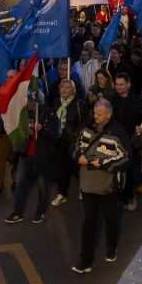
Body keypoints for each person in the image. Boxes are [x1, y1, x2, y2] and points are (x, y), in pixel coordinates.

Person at [71, 98, 129, 274]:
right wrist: (77, 156)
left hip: (107, 187)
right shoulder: (86, 128)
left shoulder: (118, 132)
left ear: (109, 115)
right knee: (88, 223)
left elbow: (125, 158)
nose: (96, 117)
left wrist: (103, 163)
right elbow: (75, 146)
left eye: (100, 114)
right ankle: (85, 260)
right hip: (87, 186)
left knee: (110, 220)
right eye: (95, 113)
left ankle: (111, 247)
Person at [5, 98, 55, 225]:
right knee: (20, 185)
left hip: (42, 158)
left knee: (42, 187)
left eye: (31, 100)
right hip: (26, 155)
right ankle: (17, 212)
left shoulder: (48, 112)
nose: (29, 103)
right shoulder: (22, 114)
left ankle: (41, 212)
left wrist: (42, 128)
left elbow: (55, 133)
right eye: (26, 101)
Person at [49, 78, 87, 207]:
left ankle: (84, 188)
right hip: (58, 142)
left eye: (67, 87)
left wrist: (78, 137)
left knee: (77, 168)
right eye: (62, 87)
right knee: (61, 169)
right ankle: (62, 194)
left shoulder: (79, 104)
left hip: (74, 143)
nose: (64, 90)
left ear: (73, 90)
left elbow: (85, 123)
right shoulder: (56, 102)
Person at [110, 72, 142, 211]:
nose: (119, 87)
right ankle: (119, 197)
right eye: (117, 84)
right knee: (116, 170)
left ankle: (130, 196)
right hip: (115, 141)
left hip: (131, 142)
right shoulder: (111, 100)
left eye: (121, 84)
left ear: (128, 85)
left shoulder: (137, 100)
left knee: (129, 171)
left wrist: (140, 128)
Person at [0, 69, 18, 194]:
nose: (8, 79)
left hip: (16, 133)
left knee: (15, 159)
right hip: (2, 131)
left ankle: (15, 181)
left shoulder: (21, 92)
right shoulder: (1, 90)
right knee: (0, 159)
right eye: (7, 77)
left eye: (11, 77)